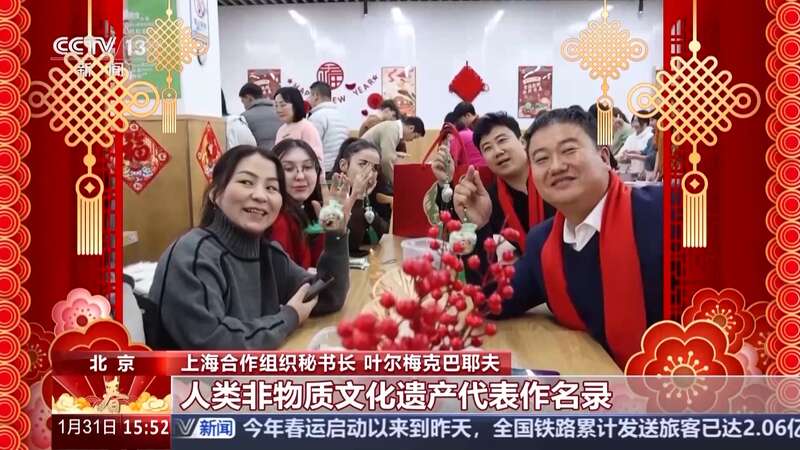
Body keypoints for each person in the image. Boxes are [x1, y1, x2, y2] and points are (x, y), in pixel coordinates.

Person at [500, 106, 663, 368]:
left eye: (569, 150)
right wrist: (476, 227)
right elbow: (495, 300)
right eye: (541, 159)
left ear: (604, 156)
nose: (556, 166)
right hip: (597, 382)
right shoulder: (543, 243)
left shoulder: (665, 212)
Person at [146, 145, 352, 350]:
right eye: (246, 182)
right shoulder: (192, 254)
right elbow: (213, 342)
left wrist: (336, 235)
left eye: (271, 188)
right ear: (215, 193)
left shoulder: (268, 253)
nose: (261, 196)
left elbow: (327, 296)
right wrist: (289, 316)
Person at [440, 113, 554, 281]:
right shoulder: (487, 202)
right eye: (487, 148)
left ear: (523, 142)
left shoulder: (554, 182)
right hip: (526, 288)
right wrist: (479, 227)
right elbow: (483, 281)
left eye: (502, 140)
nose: (498, 151)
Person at [268, 139, 325, 269]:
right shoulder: (279, 220)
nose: (300, 176)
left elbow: (319, 267)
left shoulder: (310, 210)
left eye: (307, 167)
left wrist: (332, 232)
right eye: (288, 168)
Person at [332, 138, 389, 257]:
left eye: (375, 168)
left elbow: (385, 233)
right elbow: (350, 245)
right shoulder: (332, 192)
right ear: (343, 165)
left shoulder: (377, 191)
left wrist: (363, 197)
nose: (369, 173)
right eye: (363, 164)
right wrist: (357, 197)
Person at [361, 115, 425, 189]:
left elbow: (381, 151)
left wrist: (395, 153)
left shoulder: (393, 127)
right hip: (362, 163)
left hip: (364, 159)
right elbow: (386, 160)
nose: (411, 140)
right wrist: (395, 183)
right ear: (411, 128)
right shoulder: (393, 130)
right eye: (414, 136)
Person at [307, 81, 349, 176]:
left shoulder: (316, 117)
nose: (308, 99)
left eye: (310, 95)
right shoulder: (341, 115)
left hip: (324, 170)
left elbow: (310, 147)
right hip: (340, 168)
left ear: (316, 96)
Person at [274, 87, 324, 162]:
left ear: (295, 104)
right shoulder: (281, 130)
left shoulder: (306, 127)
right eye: (276, 105)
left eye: (283, 105)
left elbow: (316, 157)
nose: (279, 110)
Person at [239, 82, 281, 150]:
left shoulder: (244, 117)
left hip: (259, 154)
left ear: (249, 98)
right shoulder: (280, 112)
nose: (244, 106)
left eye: (243, 101)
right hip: (280, 153)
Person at [618, 113, 653, 180]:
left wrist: (633, 156)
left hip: (646, 174)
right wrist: (623, 156)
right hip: (632, 173)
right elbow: (621, 154)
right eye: (633, 121)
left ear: (645, 122)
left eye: (637, 121)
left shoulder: (650, 136)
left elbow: (650, 156)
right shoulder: (630, 137)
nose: (634, 124)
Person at [451, 101, 486, 167]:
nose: (456, 125)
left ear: (468, 115)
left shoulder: (461, 135)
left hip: (472, 171)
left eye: (459, 120)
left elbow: (452, 162)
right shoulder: (486, 127)